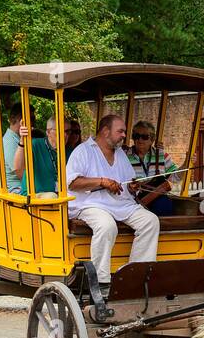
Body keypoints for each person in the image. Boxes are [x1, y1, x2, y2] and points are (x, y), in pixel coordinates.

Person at [65, 113, 160, 293]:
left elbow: (128, 183)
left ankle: (136, 275)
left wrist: (133, 186)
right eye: (121, 131)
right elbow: (72, 183)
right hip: (91, 204)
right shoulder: (83, 151)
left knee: (151, 221)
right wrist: (101, 181)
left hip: (121, 204)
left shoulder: (121, 155)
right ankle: (101, 281)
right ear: (106, 131)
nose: (125, 135)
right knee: (107, 226)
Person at [129, 120, 180, 215]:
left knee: (164, 204)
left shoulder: (162, 155)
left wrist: (187, 163)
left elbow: (175, 177)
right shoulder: (124, 156)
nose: (140, 140)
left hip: (158, 201)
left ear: (152, 140)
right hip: (132, 203)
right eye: (136, 136)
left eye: (144, 137)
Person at [14, 116, 60, 197]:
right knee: (51, 197)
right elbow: (18, 168)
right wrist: (22, 140)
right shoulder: (35, 144)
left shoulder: (69, 150)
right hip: (33, 197)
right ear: (48, 132)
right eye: (60, 130)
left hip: (62, 196)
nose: (65, 134)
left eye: (68, 131)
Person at [1, 96, 27, 194]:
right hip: (10, 191)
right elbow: (20, 173)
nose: (33, 122)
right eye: (30, 118)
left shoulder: (16, 138)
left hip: (18, 187)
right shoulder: (9, 141)